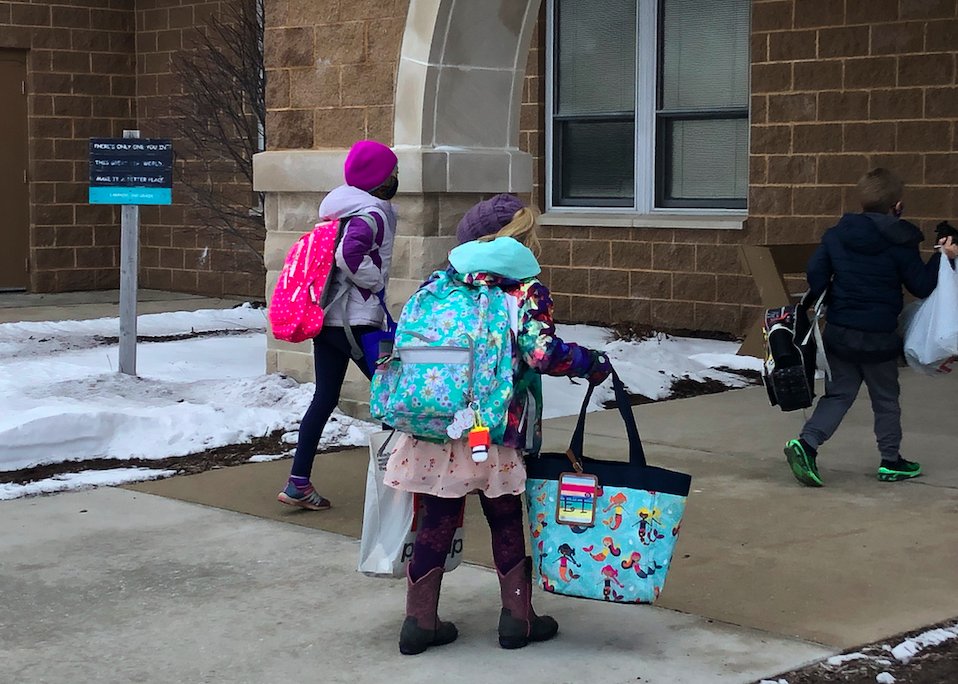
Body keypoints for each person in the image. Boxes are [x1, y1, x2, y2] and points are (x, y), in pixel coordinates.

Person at [383, 194, 612, 655]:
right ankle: (517, 620)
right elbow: (543, 353)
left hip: (437, 422)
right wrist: (590, 362)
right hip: (495, 428)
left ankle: (418, 623)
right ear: (522, 240)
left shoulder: (440, 281)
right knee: (505, 516)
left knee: (438, 518)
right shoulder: (522, 290)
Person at [784, 168, 958, 486]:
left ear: (862, 202)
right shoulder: (900, 240)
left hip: (840, 332)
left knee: (838, 395)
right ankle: (891, 461)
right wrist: (942, 256)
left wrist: (835, 296)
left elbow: (816, 273)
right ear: (897, 205)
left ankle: (807, 444)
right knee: (886, 399)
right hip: (878, 338)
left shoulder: (837, 235)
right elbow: (920, 285)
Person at [277, 140, 400, 511]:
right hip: (356, 324)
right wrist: (375, 280)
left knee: (325, 398)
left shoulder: (342, 211)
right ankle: (408, 482)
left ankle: (299, 481)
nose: (396, 179)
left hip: (329, 321)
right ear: (378, 179)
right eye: (392, 173)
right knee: (398, 398)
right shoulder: (371, 214)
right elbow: (350, 255)